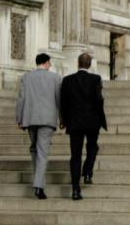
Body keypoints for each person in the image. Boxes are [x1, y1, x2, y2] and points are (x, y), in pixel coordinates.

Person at [60, 52, 107, 200]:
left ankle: (75, 189)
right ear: (90, 64)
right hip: (92, 121)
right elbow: (99, 100)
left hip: (75, 122)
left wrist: (64, 120)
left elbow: (63, 103)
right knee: (92, 147)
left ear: (77, 63)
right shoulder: (95, 79)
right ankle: (87, 171)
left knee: (75, 156)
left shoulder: (67, 80)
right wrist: (101, 118)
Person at [16, 53, 61, 200]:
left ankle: (38, 182)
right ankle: (39, 186)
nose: (51, 65)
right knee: (41, 152)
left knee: (35, 149)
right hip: (47, 119)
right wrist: (63, 118)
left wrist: (19, 117)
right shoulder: (55, 78)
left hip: (30, 118)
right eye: (50, 63)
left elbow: (21, 99)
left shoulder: (26, 77)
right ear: (47, 63)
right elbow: (59, 100)